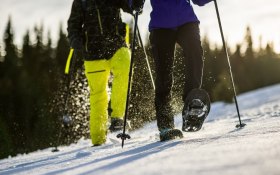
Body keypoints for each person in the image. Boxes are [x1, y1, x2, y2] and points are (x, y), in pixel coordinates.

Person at [131, 0, 213, 141]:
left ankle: (192, 103)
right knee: (164, 74)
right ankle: (165, 126)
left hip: (186, 20)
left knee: (195, 52)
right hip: (161, 25)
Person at [67, 0, 132, 146]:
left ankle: (117, 118)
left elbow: (129, 5)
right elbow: (73, 26)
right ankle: (98, 138)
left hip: (116, 45)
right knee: (98, 94)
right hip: (92, 52)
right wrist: (75, 41)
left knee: (125, 68)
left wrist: (136, 4)